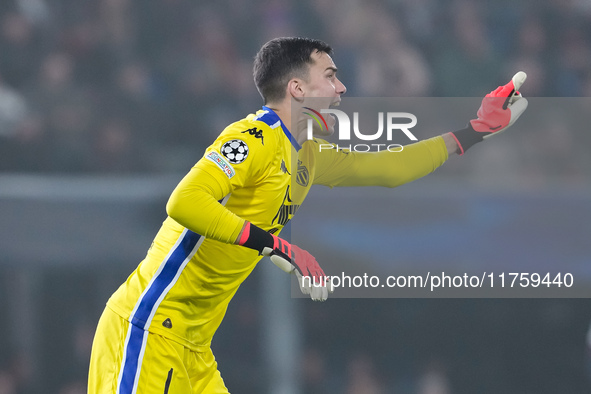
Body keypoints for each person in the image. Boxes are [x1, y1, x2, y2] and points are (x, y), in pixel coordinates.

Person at [88, 37, 527, 393]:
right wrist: (276, 244)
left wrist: (475, 132)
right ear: (297, 89)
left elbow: (388, 169)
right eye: (331, 76)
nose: (342, 88)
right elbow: (183, 202)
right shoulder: (252, 137)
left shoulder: (308, 155)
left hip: (193, 344)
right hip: (148, 327)